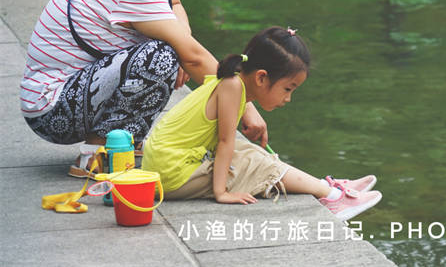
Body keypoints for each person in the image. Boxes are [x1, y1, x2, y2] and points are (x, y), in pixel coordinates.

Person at [19, 0, 269, 176]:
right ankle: (97, 154)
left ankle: (124, 143)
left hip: (58, 97)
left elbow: (174, 3)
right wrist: (243, 103)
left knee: (172, 47)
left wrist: (179, 37)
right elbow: (196, 58)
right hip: (52, 109)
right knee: (161, 56)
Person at [142, 26, 382, 220]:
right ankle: (332, 197)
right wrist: (221, 193)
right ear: (261, 77)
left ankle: (325, 187)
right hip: (171, 174)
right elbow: (225, 142)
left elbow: (226, 143)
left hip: (166, 164)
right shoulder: (232, 87)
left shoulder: (232, 82)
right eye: (288, 89)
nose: (288, 98)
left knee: (247, 150)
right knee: (257, 163)